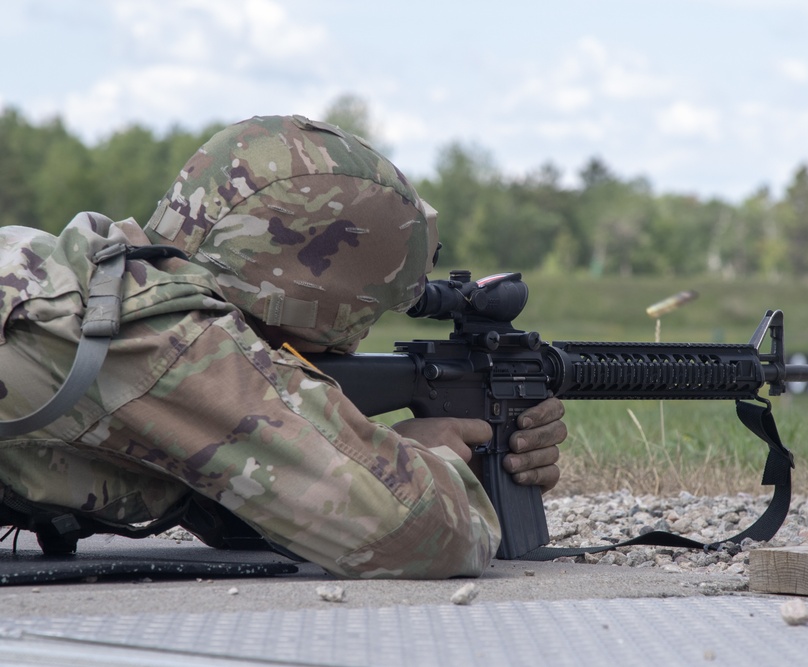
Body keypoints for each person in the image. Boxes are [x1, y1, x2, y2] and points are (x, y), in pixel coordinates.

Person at [0, 114, 566, 579]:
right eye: (359, 321)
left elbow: (217, 488)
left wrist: (354, 445)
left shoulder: (101, 284)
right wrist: (430, 455)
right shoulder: (175, 343)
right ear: (308, 301)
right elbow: (422, 535)